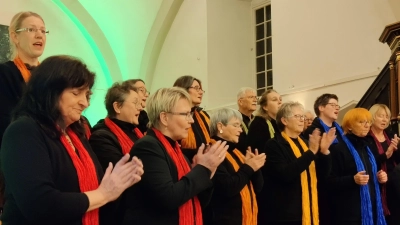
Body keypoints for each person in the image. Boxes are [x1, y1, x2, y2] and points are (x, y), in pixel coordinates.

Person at [0, 55, 143, 225]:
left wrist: (119, 182)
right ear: (50, 91)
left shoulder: (75, 134)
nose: (85, 103)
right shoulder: (24, 131)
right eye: (76, 93)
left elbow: (88, 189)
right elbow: (40, 205)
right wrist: (103, 194)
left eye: (87, 95)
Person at [122, 87, 228, 225]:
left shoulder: (176, 150)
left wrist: (209, 172)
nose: (192, 121)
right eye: (186, 114)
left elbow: (199, 201)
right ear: (164, 118)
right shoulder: (148, 147)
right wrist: (203, 169)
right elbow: (168, 198)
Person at [0, 11, 48, 214]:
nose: (39, 35)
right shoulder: (5, 73)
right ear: (14, 36)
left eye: (43, 30)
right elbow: (6, 121)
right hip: (24, 156)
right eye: (31, 29)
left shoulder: (52, 74)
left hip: (54, 154)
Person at [259, 101, 335, 225]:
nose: (302, 120)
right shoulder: (274, 145)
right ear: (284, 120)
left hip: (309, 209)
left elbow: (322, 176)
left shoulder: (305, 143)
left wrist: (325, 151)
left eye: (302, 117)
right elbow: (286, 174)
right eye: (297, 116)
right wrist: (311, 152)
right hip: (285, 214)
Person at [204, 108, 265, 225]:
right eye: (236, 125)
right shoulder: (211, 152)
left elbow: (259, 187)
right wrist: (249, 168)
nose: (240, 130)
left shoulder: (236, 152)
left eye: (240, 126)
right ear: (220, 126)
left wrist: (255, 169)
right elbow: (227, 188)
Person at [328, 108, 388, 225]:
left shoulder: (368, 147)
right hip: (349, 213)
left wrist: (381, 177)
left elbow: (374, 174)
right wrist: (352, 179)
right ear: (349, 126)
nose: (367, 125)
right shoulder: (338, 148)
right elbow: (329, 182)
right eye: (361, 122)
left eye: (368, 122)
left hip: (372, 209)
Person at [302, 93, 343, 225]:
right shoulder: (313, 131)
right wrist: (324, 150)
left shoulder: (339, 130)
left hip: (340, 180)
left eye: (338, 105)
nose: (337, 108)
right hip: (324, 184)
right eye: (333, 105)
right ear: (321, 107)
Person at [367, 104, 400, 225]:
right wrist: (386, 153)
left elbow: (397, 160)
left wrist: (398, 148)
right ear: (373, 117)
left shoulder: (390, 135)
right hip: (376, 180)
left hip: (393, 179)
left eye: (387, 116)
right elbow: (368, 161)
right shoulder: (367, 137)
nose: (385, 119)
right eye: (381, 116)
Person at [173, 75, 211, 161]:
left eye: (201, 89)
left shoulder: (202, 115)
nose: (201, 92)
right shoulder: (174, 115)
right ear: (183, 89)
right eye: (196, 88)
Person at [236, 87, 258, 154]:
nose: (255, 100)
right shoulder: (235, 119)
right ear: (240, 101)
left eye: (256, 97)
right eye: (251, 97)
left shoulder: (257, 121)